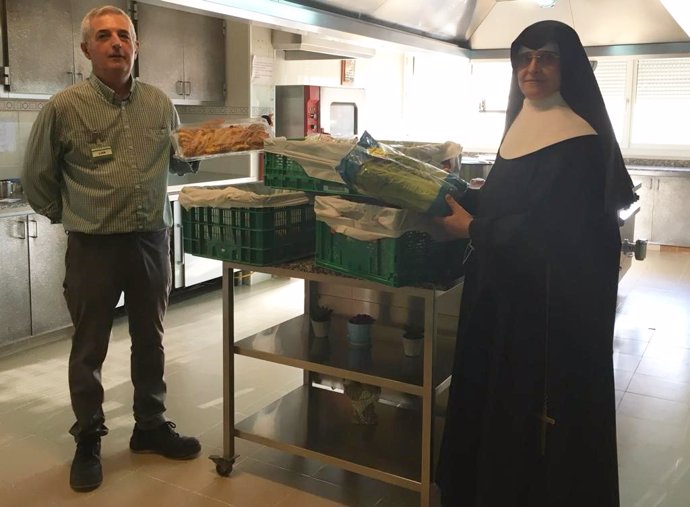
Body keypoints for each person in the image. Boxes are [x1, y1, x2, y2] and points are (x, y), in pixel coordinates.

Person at [434, 20, 636, 506]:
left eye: (546, 57)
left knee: (532, 418)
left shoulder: (580, 139)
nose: (532, 67)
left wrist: (474, 229)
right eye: (523, 57)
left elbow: (559, 231)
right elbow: (517, 203)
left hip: (546, 313)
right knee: (493, 399)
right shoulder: (523, 122)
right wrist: (463, 197)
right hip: (501, 296)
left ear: (568, 66)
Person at [21, 5, 201, 493]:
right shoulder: (64, 107)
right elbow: (36, 178)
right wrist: (71, 216)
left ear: (136, 46)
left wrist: (199, 154)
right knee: (89, 346)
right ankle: (88, 437)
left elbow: (176, 158)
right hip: (93, 246)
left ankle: (149, 426)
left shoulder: (160, 103)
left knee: (151, 338)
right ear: (86, 50)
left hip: (149, 240)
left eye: (125, 35)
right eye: (104, 36)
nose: (116, 43)